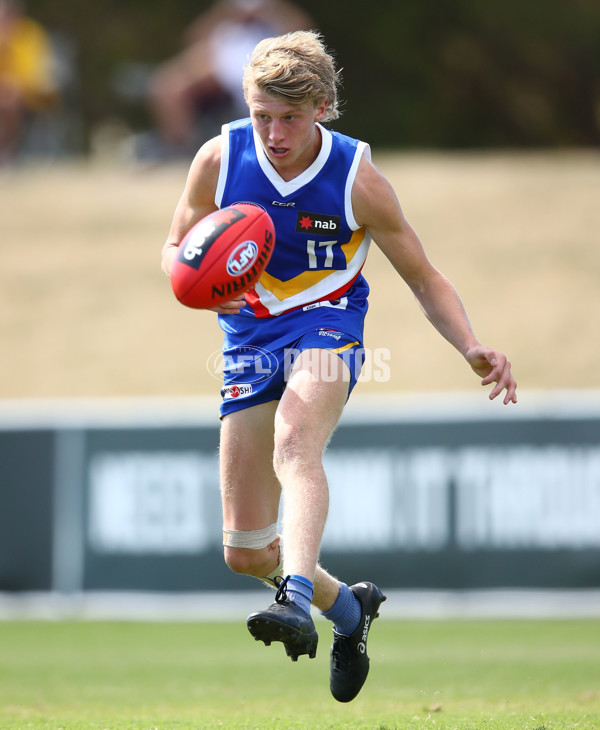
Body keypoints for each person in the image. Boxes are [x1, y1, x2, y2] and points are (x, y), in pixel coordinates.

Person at [161, 30, 518, 703]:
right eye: (261, 115)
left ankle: (295, 598)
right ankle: (347, 610)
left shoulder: (357, 178)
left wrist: (469, 343)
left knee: (297, 442)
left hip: (328, 324)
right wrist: (191, 282)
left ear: (323, 106)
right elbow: (179, 245)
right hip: (247, 336)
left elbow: (423, 275)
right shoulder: (218, 157)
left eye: (290, 117)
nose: (273, 133)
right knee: (244, 552)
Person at [148, 0, 312, 157]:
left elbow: (304, 34)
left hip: (250, 74)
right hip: (220, 70)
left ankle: (184, 148)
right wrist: (222, 12)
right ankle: (180, 147)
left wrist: (272, 10)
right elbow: (194, 39)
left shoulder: (274, 26)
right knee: (168, 85)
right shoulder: (225, 24)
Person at [0, 0, 58, 162]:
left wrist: (13, 86)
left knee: (9, 100)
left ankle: (8, 151)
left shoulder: (30, 34)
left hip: (31, 96)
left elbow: (36, 74)